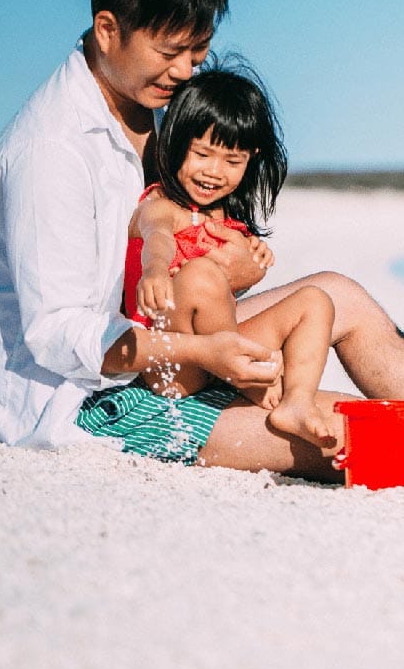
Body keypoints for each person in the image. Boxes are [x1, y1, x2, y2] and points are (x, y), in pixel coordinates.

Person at [0, 0, 404, 478]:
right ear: (108, 30)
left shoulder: (155, 110)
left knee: (339, 295)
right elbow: (56, 337)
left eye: (197, 55)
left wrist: (222, 282)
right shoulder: (50, 149)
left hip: (166, 348)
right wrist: (207, 352)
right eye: (170, 52)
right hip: (86, 402)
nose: (184, 72)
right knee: (377, 436)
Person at [125, 63, 338, 451]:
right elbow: (157, 238)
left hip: (222, 354)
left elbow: (234, 279)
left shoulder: (225, 217)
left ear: (251, 158)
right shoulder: (163, 205)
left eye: (232, 161)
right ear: (175, 142)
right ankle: (251, 380)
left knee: (316, 301)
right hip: (176, 365)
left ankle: (298, 401)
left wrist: (255, 250)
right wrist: (154, 270)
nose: (214, 172)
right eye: (202, 154)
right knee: (200, 274)